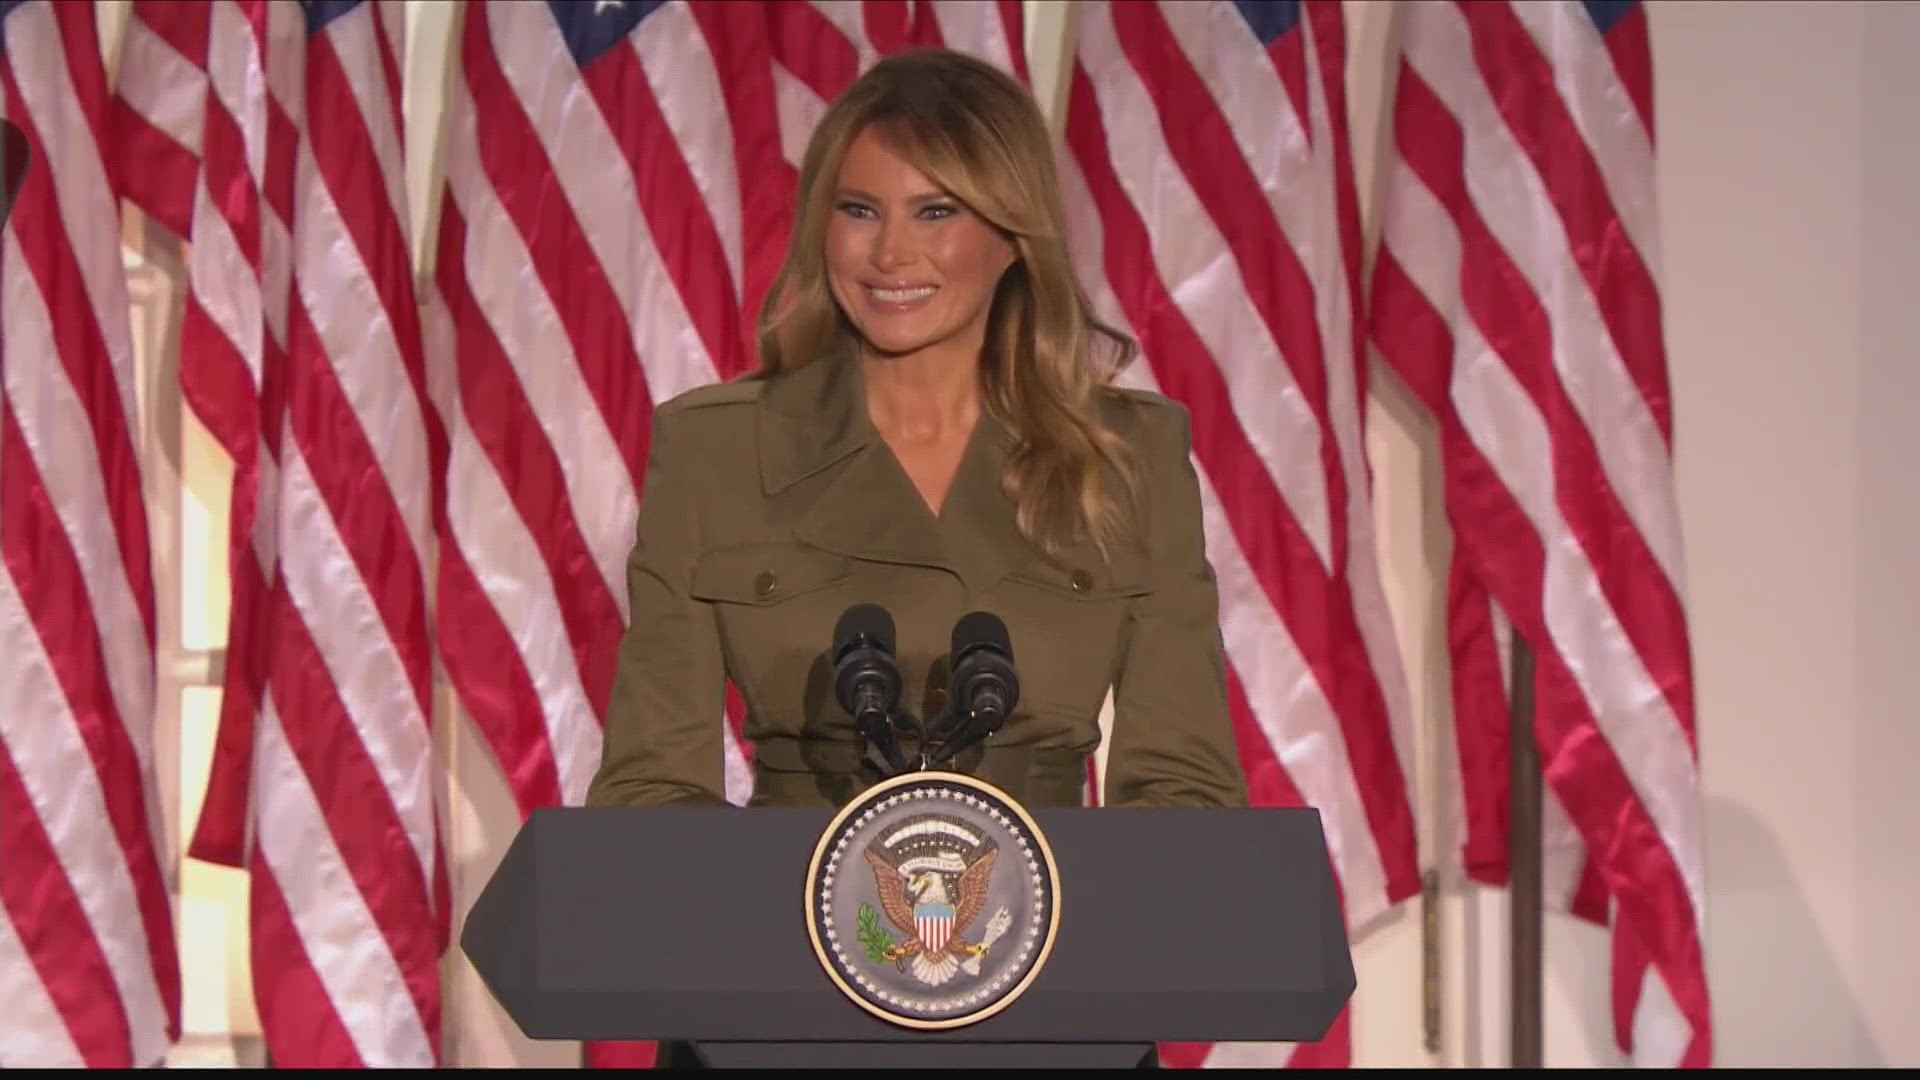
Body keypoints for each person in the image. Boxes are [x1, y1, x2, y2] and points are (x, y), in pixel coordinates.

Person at [584, 48, 1247, 813]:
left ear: (1012, 235)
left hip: (1060, 914)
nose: (891, 254)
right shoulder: (716, 451)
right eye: (859, 210)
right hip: (784, 909)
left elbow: (1185, 793)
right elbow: (649, 789)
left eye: (936, 212)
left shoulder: (1130, 456)